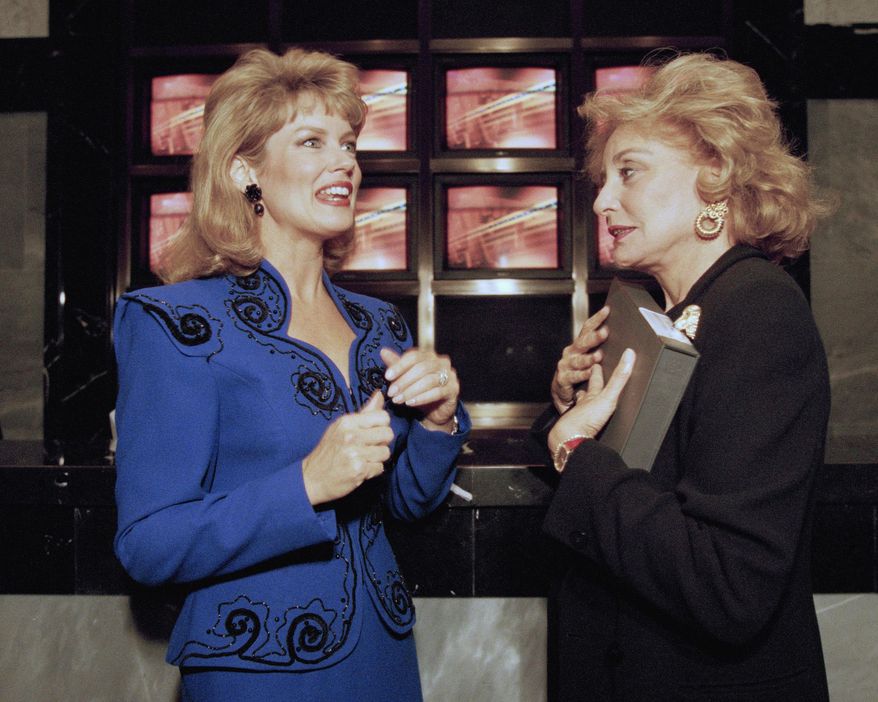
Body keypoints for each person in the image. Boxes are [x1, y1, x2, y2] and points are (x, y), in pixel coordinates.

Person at [113, 47, 469, 701]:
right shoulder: (174, 322)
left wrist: (440, 421)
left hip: (384, 658)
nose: (346, 164)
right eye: (313, 142)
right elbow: (148, 543)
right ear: (245, 169)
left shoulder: (380, 324)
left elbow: (408, 507)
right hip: (256, 671)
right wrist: (305, 484)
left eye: (350, 144)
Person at [532, 52, 832, 700]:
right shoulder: (652, 306)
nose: (603, 200)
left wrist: (576, 452)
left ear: (715, 178)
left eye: (630, 173)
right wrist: (567, 407)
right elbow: (635, 480)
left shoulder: (760, 312)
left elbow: (729, 585)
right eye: (603, 178)